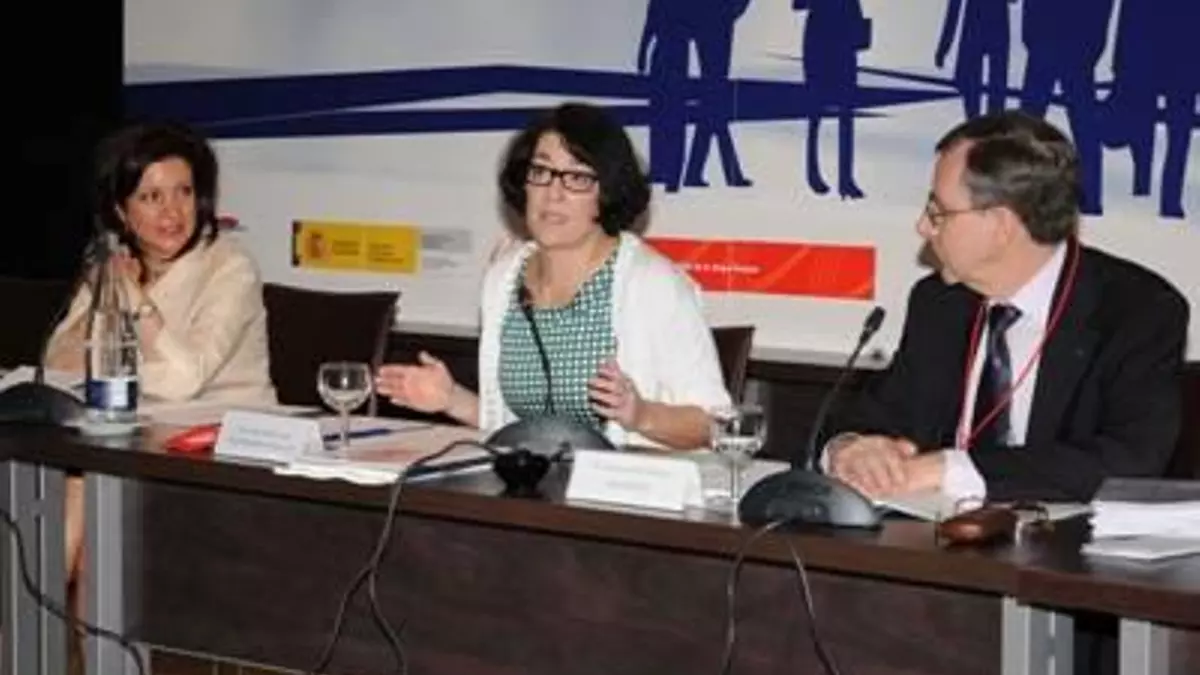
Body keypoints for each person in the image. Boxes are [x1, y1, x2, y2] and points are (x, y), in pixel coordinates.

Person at [825, 110, 1188, 505]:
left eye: (938, 212)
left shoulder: (1138, 311)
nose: (923, 228)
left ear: (1000, 225)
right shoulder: (939, 302)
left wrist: (948, 469)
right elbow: (876, 416)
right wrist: (851, 448)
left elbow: (1130, 460)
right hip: (932, 535)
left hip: (1062, 540)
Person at [376, 102, 731, 449]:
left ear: (606, 192)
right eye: (541, 171)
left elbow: (716, 424)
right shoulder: (503, 279)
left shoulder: (652, 283)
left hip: (628, 485)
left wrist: (640, 415)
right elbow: (517, 430)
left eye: (577, 178)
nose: (553, 193)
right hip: (532, 485)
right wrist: (451, 399)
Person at [44, 120, 276, 634]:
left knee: (86, 500)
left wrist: (134, 301)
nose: (172, 212)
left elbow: (184, 379)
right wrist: (108, 293)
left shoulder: (230, 267)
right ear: (120, 210)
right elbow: (57, 360)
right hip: (132, 443)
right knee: (68, 493)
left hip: (223, 449)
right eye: (151, 197)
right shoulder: (111, 266)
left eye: (183, 192)